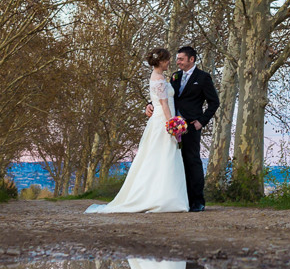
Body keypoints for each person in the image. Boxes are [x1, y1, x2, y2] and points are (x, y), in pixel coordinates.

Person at [86, 47, 188, 213]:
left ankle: (163, 196)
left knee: (161, 156)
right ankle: (161, 198)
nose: (170, 62)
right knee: (163, 156)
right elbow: (163, 103)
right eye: (168, 59)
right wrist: (173, 123)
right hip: (163, 120)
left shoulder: (159, 76)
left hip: (159, 120)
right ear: (161, 61)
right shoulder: (158, 78)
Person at [146, 46, 219, 212]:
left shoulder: (203, 78)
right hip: (172, 127)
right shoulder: (175, 76)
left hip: (191, 126)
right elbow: (164, 97)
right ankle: (182, 199)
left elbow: (214, 102)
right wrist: (150, 105)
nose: (177, 62)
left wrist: (202, 121)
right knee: (177, 163)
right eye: (176, 58)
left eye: (180, 59)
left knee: (192, 161)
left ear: (191, 59)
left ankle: (198, 201)